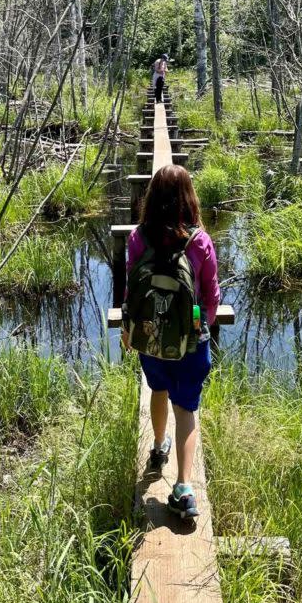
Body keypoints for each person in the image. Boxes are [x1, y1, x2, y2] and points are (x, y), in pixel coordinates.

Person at [122, 164, 219, 519]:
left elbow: (131, 289)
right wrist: (198, 326)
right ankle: (183, 487)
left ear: (152, 198)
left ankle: (159, 446)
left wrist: (130, 327)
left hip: (149, 337)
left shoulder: (137, 238)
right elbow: (210, 297)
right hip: (191, 341)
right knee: (187, 409)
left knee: (157, 391)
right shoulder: (201, 242)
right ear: (189, 198)